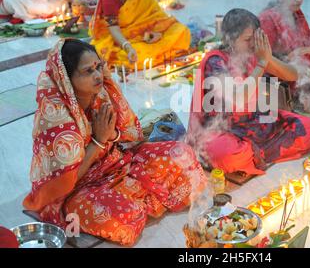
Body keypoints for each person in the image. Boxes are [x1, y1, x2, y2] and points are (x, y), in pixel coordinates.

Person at [23, 39, 205, 246]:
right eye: (88, 71)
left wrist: (110, 137)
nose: (98, 75)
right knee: (125, 218)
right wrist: (99, 142)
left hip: (117, 165)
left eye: (98, 67)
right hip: (79, 189)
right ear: (67, 78)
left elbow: (128, 136)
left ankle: (135, 195)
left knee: (182, 154)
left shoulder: (101, 93)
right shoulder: (55, 117)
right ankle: (139, 197)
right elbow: (66, 183)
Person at [187, 9, 310, 175]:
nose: (252, 44)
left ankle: (255, 154)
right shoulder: (216, 61)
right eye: (248, 39)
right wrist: (261, 64)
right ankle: (255, 153)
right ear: (230, 39)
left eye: (255, 39)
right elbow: (238, 98)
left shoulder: (253, 55)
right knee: (226, 155)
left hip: (254, 122)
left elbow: (292, 75)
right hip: (221, 130)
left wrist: (267, 58)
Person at [90, 0, 190, 71]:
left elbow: (156, 14)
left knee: (182, 31)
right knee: (136, 55)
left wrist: (158, 33)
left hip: (146, 33)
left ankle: (157, 51)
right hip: (120, 37)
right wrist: (127, 47)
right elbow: (113, 29)